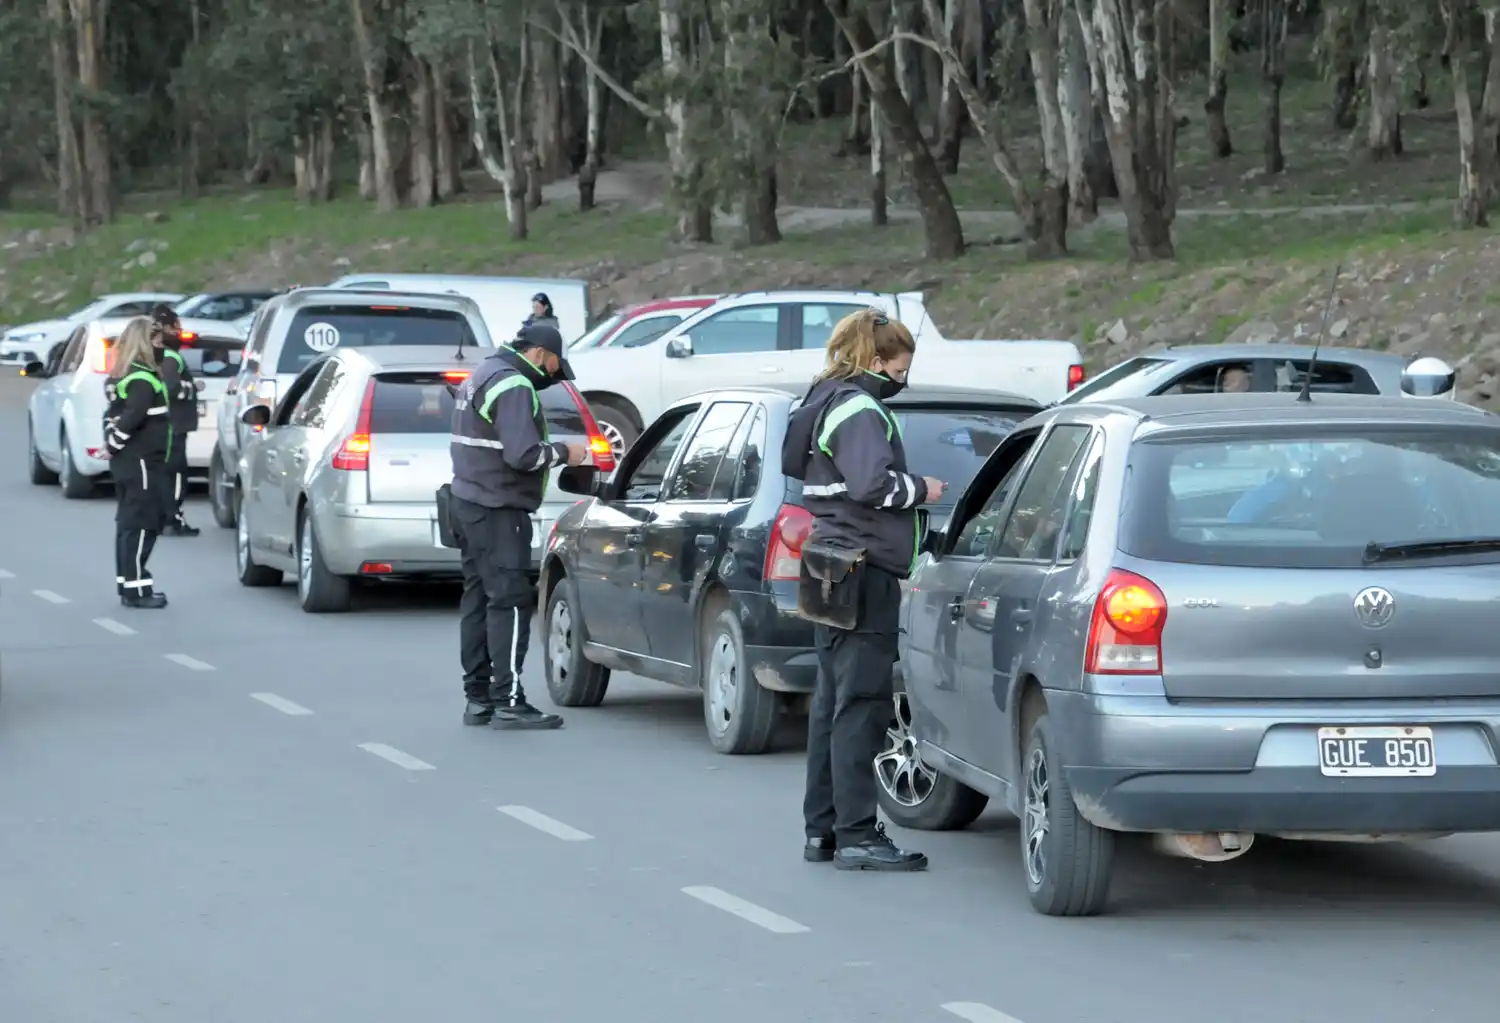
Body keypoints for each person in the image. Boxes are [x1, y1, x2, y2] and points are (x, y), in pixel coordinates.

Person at [785, 307, 945, 872]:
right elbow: (872, 485)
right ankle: (858, 835)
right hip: (865, 567)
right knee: (862, 706)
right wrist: (922, 488)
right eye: (899, 372)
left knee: (832, 703)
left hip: (832, 564)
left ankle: (823, 831)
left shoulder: (824, 398)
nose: (902, 382)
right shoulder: (857, 407)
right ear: (876, 361)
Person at [448, 323, 590, 729]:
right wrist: (568, 452)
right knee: (509, 602)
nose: (551, 377)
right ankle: (509, 699)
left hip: (468, 502)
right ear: (544, 355)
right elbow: (524, 455)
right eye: (554, 368)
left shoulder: (482, 372)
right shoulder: (514, 386)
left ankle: (478, 699)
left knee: (478, 599)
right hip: (499, 508)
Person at [102, 317, 173, 609]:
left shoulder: (128, 376)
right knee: (143, 524)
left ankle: (130, 584)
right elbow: (130, 417)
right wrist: (113, 445)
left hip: (135, 462)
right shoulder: (142, 380)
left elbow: (112, 415)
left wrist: (112, 443)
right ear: (145, 344)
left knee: (130, 523)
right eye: (157, 343)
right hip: (141, 462)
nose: (162, 348)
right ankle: (135, 588)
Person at [151, 303, 201, 537]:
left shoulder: (160, 355)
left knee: (165, 472)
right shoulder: (172, 358)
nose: (181, 329)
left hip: (166, 423)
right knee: (176, 473)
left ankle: (163, 516)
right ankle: (173, 518)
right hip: (174, 424)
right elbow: (171, 388)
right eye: (178, 325)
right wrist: (192, 389)